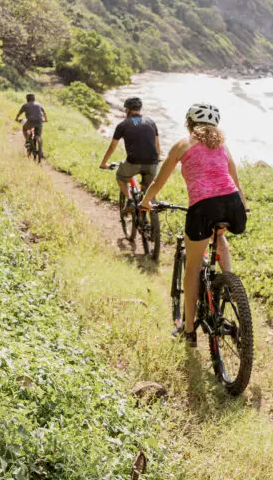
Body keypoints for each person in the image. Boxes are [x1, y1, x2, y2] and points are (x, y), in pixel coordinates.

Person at [140, 102, 246, 347]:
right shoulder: (223, 145)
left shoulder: (182, 144)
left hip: (203, 207)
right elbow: (236, 182)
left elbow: (159, 181)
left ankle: (188, 329)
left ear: (189, 123)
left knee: (193, 266)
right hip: (232, 206)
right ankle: (229, 287)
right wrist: (243, 205)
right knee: (220, 236)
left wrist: (146, 201)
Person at [99, 97, 160, 209]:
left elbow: (112, 146)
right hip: (152, 163)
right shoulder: (151, 122)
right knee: (150, 192)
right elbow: (157, 146)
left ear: (127, 110)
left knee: (121, 177)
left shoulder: (123, 125)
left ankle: (130, 200)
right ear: (139, 109)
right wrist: (157, 159)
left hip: (133, 162)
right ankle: (150, 219)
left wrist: (104, 163)